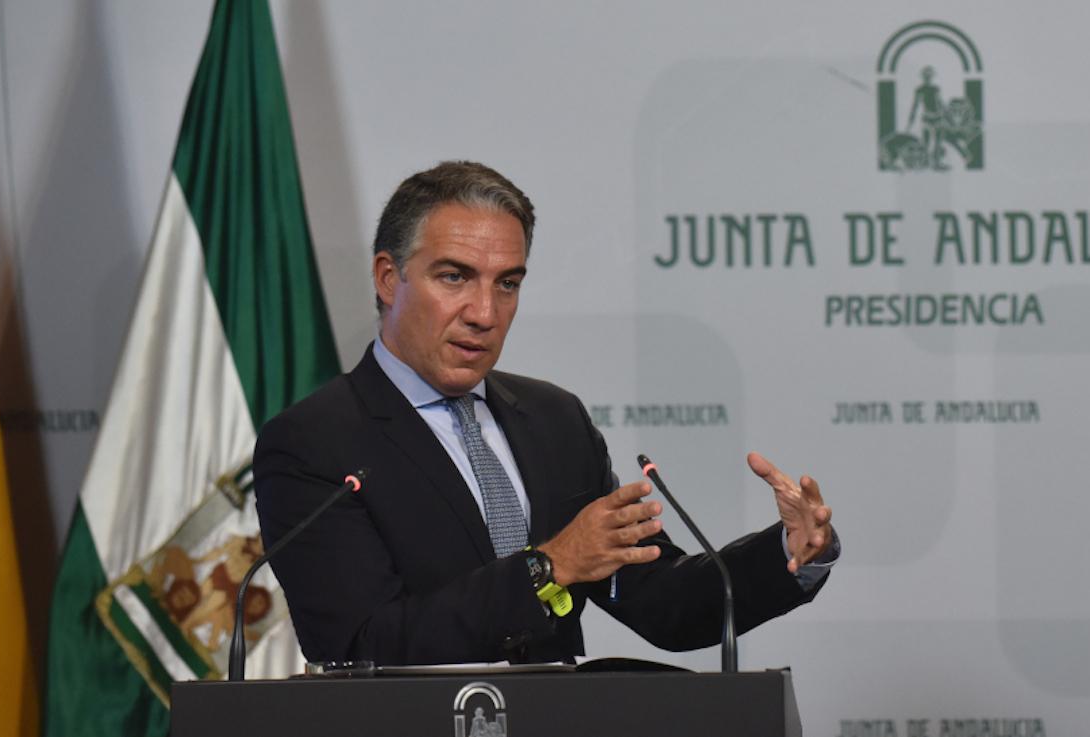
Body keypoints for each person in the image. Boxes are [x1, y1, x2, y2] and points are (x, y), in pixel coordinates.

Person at [253, 161, 838, 665]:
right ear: (389, 277)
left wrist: (788, 551)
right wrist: (548, 567)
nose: (484, 312)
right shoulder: (313, 443)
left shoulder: (554, 420)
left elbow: (663, 604)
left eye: (507, 284)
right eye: (454, 277)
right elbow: (361, 644)